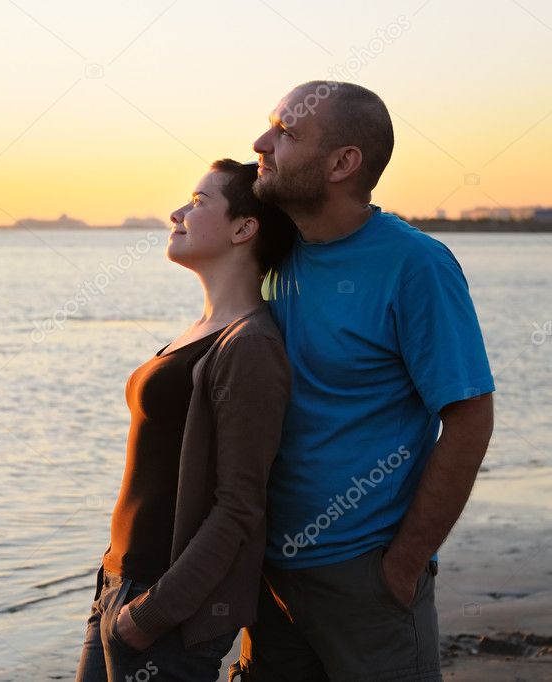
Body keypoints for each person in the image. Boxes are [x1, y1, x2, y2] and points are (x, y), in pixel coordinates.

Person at [229, 81, 496, 681]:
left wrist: (402, 566)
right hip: (268, 576)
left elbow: (471, 416)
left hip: (365, 578)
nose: (260, 143)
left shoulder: (415, 265)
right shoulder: (274, 253)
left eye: (286, 132)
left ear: (343, 163)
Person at [74, 159, 296, 682]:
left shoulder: (250, 345)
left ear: (245, 228)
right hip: (120, 585)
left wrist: (151, 615)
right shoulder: (203, 330)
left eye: (198, 202)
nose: (177, 213)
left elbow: (240, 506)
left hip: (163, 606)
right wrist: (113, 578)